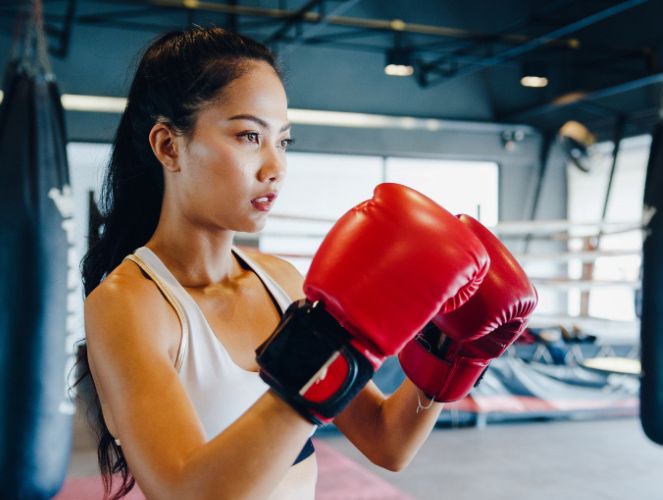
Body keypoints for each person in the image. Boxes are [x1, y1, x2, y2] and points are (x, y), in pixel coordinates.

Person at [75, 26, 535, 500]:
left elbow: (386, 441)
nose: (275, 165)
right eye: (249, 136)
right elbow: (186, 492)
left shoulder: (281, 280)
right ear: (169, 146)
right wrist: (330, 357)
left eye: (284, 141)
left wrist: (450, 354)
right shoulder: (128, 304)